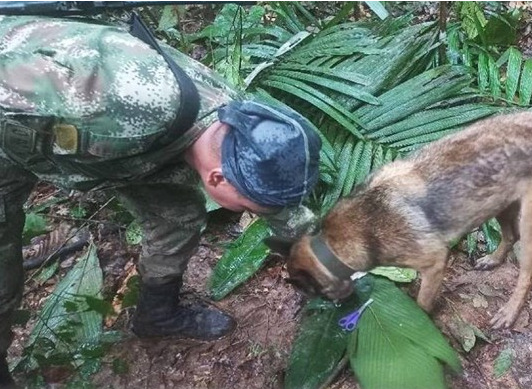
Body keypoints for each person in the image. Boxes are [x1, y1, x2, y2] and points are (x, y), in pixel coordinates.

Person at [0, 14, 321, 388]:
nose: (253, 214)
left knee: (177, 217)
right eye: (249, 207)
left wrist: (323, 256)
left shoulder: (239, 125)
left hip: (118, 147)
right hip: (15, 121)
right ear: (217, 178)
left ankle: (157, 314)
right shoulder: (118, 107)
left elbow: (278, 203)